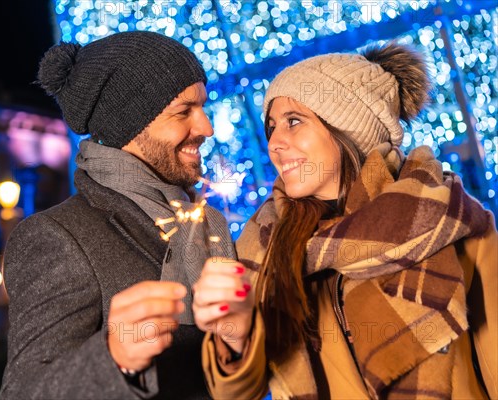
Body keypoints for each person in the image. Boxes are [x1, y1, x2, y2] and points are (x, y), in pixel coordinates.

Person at [193, 41, 497, 399]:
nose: (274, 142)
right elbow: (237, 393)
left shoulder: (450, 220)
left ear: (349, 130)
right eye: (271, 127)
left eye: (294, 122)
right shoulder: (264, 245)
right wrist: (235, 335)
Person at [0, 31, 236, 400]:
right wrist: (115, 358)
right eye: (183, 111)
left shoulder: (208, 226)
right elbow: (23, 392)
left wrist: (246, 334)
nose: (206, 128)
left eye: (203, 107)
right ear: (130, 125)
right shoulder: (57, 235)